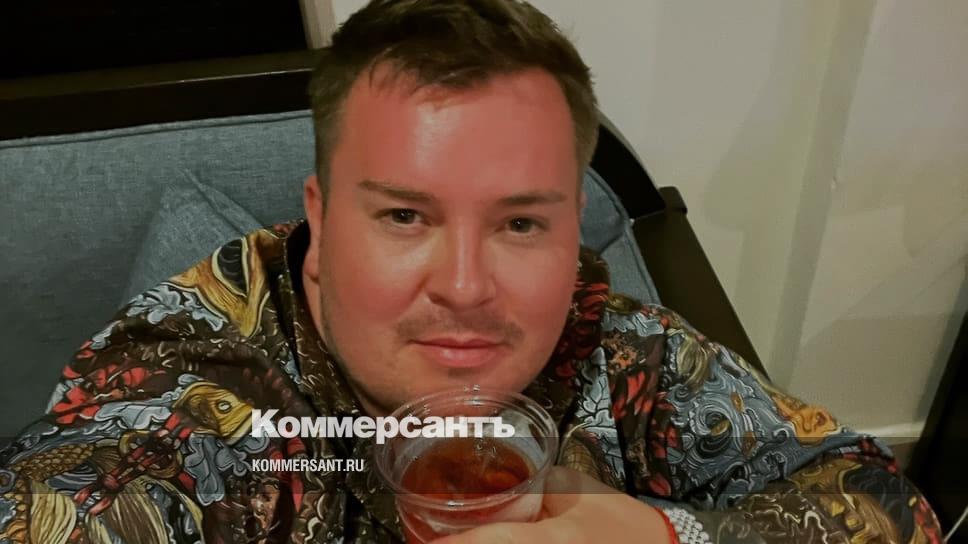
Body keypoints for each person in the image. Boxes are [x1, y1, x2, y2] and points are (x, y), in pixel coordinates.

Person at [0, 1, 943, 543]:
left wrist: (664, 535)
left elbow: (887, 508)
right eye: (404, 216)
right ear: (320, 217)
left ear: (573, 230)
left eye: (521, 223)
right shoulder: (190, 384)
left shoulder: (619, 350)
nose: (464, 286)